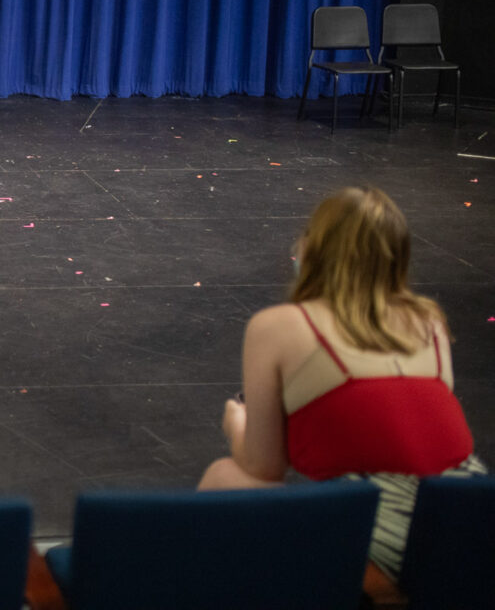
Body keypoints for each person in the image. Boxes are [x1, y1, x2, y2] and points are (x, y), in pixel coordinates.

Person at [198, 185, 485, 581]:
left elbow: (264, 469)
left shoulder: (280, 326)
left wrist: (237, 424)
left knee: (224, 476)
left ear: (313, 248)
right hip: (471, 518)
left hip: (388, 528)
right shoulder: (429, 321)